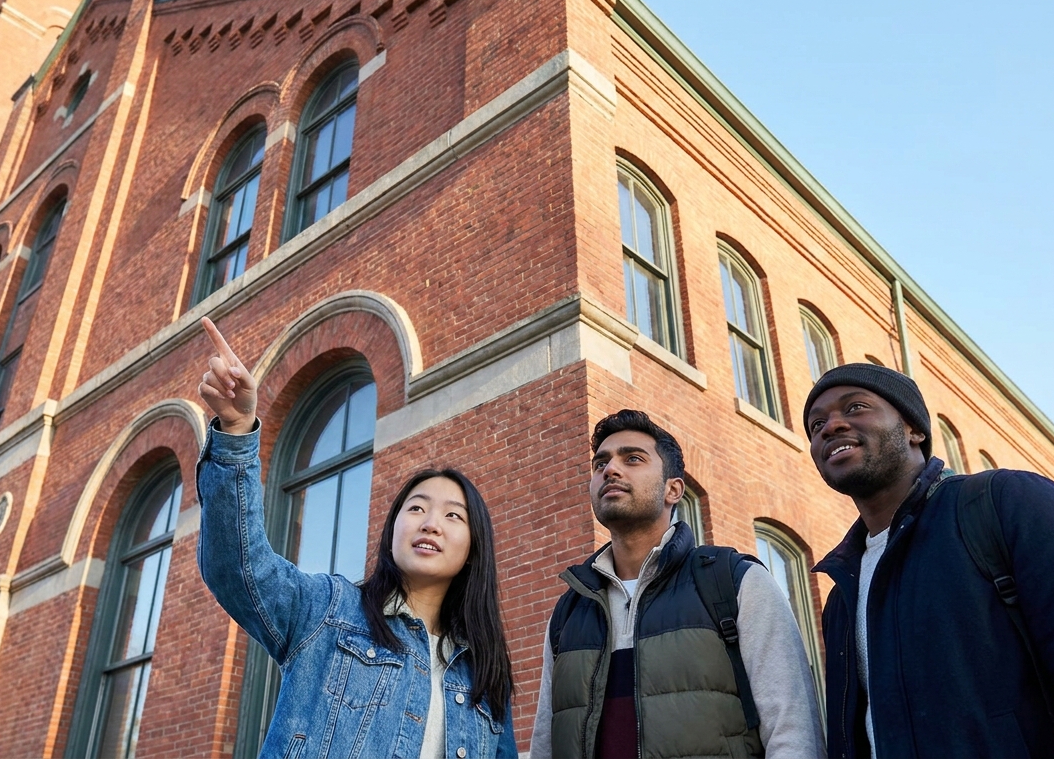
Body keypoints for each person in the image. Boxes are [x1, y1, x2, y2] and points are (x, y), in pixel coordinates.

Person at [803, 362, 1054, 758]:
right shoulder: (841, 597)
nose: (831, 426)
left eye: (856, 407)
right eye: (816, 425)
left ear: (914, 429)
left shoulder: (1008, 503)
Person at [194, 317, 516, 758]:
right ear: (392, 532)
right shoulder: (328, 611)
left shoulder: (484, 673)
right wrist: (235, 432)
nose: (430, 523)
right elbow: (238, 568)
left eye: (453, 516)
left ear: (474, 549)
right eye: (416, 508)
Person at [530, 409, 825, 759]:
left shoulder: (735, 582)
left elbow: (793, 732)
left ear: (673, 489)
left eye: (633, 459)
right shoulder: (569, 610)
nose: (610, 470)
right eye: (600, 464)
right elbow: (545, 744)